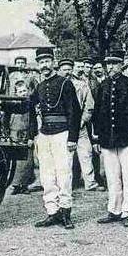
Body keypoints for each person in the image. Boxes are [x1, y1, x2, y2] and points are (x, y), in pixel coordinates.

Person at [29, 48, 82, 229]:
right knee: (46, 175)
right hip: (45, 134)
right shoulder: (39, 87)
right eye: (41, 62)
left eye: (47, 61)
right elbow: (28, 106)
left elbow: (75, 111)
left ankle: (66, 213)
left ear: (53, 62)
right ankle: (52, 212)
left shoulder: (65, 83)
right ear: (38, 65)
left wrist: (73, 138)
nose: (44, 65)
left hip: (63, 134)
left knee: (64, 174)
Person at [91, 49, 128, 227]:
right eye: (108, 64)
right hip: (107, 138)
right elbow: (97, 113)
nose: (110, 67)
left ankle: (127, 212)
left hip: (127, 138)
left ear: (121, 65)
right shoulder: (103, 85)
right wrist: (96, 138)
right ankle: (114, 210)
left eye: (114, 63)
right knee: (112, 177)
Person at [67, 59, 99, 192]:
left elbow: (89, 106)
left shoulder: (83, 85)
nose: (78, 70)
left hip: (81, 126)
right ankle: (67, 183)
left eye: (81, 67)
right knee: (66, 156)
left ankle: (90, 183)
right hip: (65, 127)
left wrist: (82, 121)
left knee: (86, 154)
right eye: (76, 67)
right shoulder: (62, 84)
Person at [8, 78, 36, 195]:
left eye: (25, 91)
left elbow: (33, 122)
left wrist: (31, 137)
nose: (23, 93)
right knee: (15, 160)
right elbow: (6, 120)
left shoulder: (30, 105)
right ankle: (15, 185)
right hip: (14, 134)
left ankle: (24, 185)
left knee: (27, 161)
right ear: (15, 93)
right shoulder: (12, 105)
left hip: (26, 134)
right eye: (20, 92)